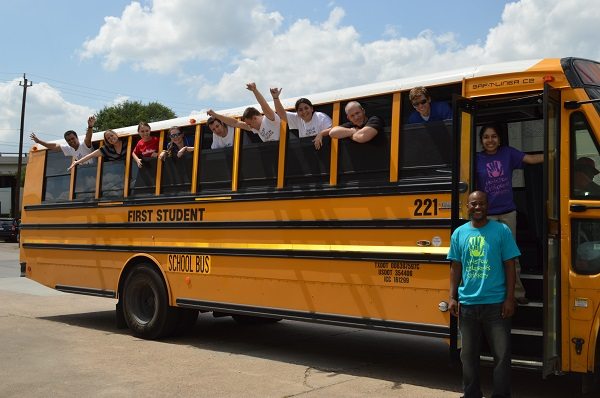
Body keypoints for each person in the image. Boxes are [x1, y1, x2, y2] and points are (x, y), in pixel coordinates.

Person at [448, 190, 519, 398]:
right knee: (468, 356)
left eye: (481, 204)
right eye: (473, 204)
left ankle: (501, 394)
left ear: (487, 206)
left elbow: (509, 265)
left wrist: (509, 298)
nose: (477, 207)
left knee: (502, 356)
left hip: (496, 305)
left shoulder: (501, 231)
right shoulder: (459, 233)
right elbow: (455, 266)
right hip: (468, 305)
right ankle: (471, 394)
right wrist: (452, 296)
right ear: (467, 206)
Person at [476, 123, 543, 305]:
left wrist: (557, 153)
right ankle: (493, 293)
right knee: (489, 255)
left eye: (494, 136)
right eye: (486, 137)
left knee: (510, 254)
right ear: (481, 141)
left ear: (499, 139)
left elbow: (531, 159)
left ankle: (517, 293)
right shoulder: (476, 159)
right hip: (486, 216)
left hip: (507, 213)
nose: (490, 140)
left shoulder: (508, 153)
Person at [207, 82, 281, 142]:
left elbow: (264, 105)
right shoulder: (256, 128)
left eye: (249, 124)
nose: (249, 126)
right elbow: (235, 123)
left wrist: (255, 91)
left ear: (254, 118)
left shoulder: (270, 119)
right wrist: (215, 115)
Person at [30, 116, 96, 164]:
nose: (71, 141)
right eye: (69, 140)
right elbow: (54, 146)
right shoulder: (70, 149)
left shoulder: (84, 145)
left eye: (73, 138)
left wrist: (90, 126)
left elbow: (88, 137)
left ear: (77, 138)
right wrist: (38, 141)